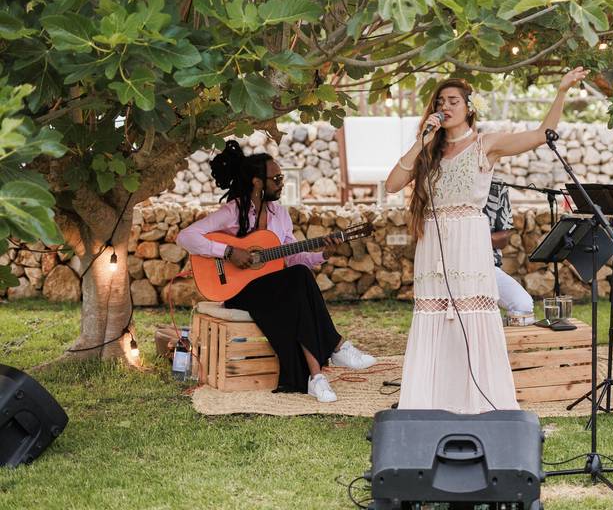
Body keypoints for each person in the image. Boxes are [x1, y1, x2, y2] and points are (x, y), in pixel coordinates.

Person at [385, 68, 587, 413]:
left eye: (452, 101)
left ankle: (476, 399)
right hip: (433, 240)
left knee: (470, 315)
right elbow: (392, 185)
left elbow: (542, 134)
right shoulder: (428, 150)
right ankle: (429, 399)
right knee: (435, 315)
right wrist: (421, 142)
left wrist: (562, 91)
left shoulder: (486, 144)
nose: (445, 106)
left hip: (468, 239)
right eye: (440, 101)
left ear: (469, 107)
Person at [177, 141, 377, 403]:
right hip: (238, 289)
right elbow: (186, 236)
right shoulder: (233, 211)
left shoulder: (280, 215)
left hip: (272, 288)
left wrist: (324, 254)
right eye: (277, 178)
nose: (282, 183)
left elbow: (292, 255)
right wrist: (228, 252)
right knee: (298, 280)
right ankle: (336, 346)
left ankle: (316, 377)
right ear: (258, 182)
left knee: (299, 278)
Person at [485, 179, 535, 325]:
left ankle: (498, 345)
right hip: (450, 268)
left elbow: (503, 238)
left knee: (523, 307)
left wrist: (474, 238)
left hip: (487, 266)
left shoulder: (496, 185)